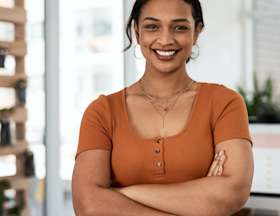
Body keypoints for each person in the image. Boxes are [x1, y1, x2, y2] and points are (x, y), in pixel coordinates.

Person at [72, 0, 254, 215]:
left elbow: (233, 193)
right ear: (137, 32)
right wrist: (200, 202)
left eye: (179, 27)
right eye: (152, 26)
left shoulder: (224, 103)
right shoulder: (102, 112)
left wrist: (122, 193)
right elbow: (89, 205)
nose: (166, 39)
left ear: (197, 32)